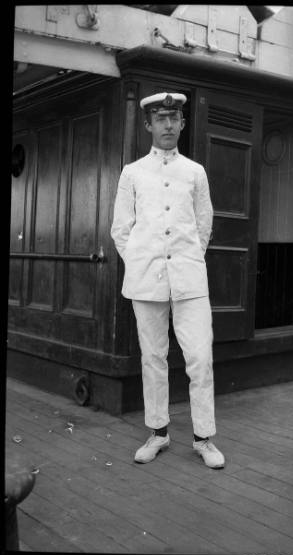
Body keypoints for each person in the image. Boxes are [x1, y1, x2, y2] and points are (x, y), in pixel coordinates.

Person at [111, 92, 225, 469]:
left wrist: (187, 259)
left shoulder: (195, 171)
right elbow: (121, 230)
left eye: (174, 118)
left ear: (182, 123)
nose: (168, 125)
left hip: (189, 280)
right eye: (160, 119)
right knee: (153, 358)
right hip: (147, 281)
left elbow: (204, 222)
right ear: (148, 125)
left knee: (199, 357)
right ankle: (158, 433)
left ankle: (204, 438)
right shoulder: (133, 172)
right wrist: (144, 262)